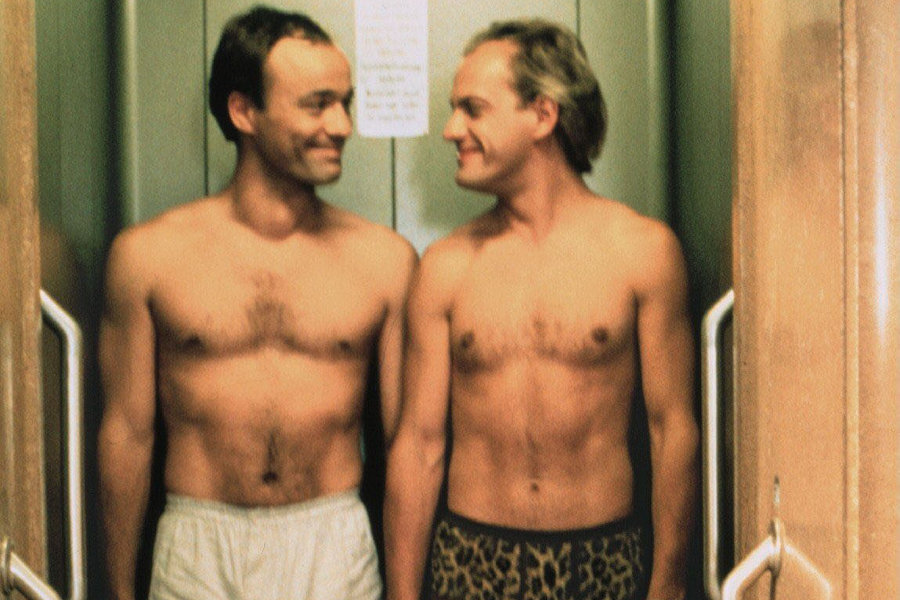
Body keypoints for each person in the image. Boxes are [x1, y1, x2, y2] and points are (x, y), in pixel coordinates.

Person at [98, 6, 416, 600]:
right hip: (198, 545)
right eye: (317, 104)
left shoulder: (385, 262)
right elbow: (127, 436)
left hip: (333, 542)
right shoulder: (148, 257)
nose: (342, 125)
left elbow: (408, 447)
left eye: (345, 103)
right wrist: (117, 592)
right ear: (244, 111)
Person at [384, 19, 698, 600]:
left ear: (543, 115)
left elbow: (671, 430)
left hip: (602, 561)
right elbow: (418, 445)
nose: (452, 130)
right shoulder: (446, 267)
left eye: (472, 109)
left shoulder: (642, 252)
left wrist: (669, 583)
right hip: (472, 561)